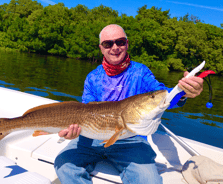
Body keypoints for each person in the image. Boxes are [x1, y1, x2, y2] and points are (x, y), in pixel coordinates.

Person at [53, 24, 203, 184]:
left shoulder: (141, 72)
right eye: (108, 44)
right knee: (63, 165)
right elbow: (85, 111)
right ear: (101, 48)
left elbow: (161, 95)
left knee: (149, 181)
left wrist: (182, 92)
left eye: (120, 42)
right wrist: (73, 131)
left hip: (132, 139)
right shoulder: (92, 77)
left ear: (127, 43)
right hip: (91, 137)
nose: (115, 47)